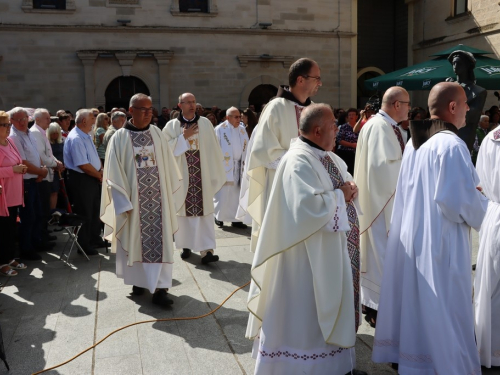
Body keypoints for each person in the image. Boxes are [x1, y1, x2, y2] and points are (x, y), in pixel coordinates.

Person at [372, 82, 488, 374]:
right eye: (465, 105)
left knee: (419, 303)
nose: (468, 111)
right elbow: (458, 202)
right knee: (444, 306)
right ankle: (445, 364)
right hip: (440, 242)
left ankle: (416, 360)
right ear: (452, 107)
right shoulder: (451, 145)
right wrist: (486, 203)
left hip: (415, 237)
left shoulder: (416, 142)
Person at [246, 104, 360, 375]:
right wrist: (341, 195)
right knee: (307, 315)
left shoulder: (326, 155)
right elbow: (305, 207)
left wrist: (351, 188)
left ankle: (335, 366)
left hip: (329, 251)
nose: (338, 129)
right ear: (318, 129)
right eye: (334, 124)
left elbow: (345, 181)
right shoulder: (298, 159)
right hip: (305, 260)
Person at [101, 94, 184, 306]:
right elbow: (113, 173)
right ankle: (139, 281)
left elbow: (168, 166)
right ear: (131, 110)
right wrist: (122, 203)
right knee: (134, 241)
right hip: (134, 204)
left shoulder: (157, 133)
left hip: (159, 202)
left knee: (162, 242)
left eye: (150, 109)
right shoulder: (119, 138)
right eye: (142, 109)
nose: (147, 113)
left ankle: (161, 288)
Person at [241, 57, 321, 253]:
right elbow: (264, 152)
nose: (320, 83)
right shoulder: (276, 107)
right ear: (301, 80)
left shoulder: (315, 110)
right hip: (281, 185)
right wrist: (299, 163)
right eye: (316, 78)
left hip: (311, 186)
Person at [353, 86, 408, 327]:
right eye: (407, 104)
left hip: (383, 203)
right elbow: (380, 169)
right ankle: (377, 310)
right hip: (381, 207)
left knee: (382, 260)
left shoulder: (385, 126)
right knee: (380, 260)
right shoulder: (379, 127)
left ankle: (380, 308)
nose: (409, 108)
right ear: (397, 105)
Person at [162, 93, 226, 264]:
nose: (191, 105)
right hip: (182, 177)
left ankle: (207, 251)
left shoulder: (205, 124)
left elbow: (213, 149)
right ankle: (186, 246)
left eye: (193, 102)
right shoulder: (172, 126)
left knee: (204, 214)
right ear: (179, 105)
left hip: (202, 175)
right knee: (184, 213)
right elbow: (164, 150)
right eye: (187, 102)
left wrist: (215, 172)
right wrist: (183, 137)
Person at [474, 124, 500, 368]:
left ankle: (488, 350)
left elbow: (479, 180)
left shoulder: (491, 137)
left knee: (489, 284)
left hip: (492, 213)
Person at [8, 107, 49, 261]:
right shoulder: (14, 137)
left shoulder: (29, 133)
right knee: (28, 216)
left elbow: (35, 154)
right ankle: (27, 248)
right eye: (18, 120)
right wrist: (40, 172)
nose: (22, 122)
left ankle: (36, 242)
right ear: (11, 121)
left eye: (24, 118)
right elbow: (23, 161)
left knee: (37, 213)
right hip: (25, 181)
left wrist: (40, 172)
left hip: (34, 178)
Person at [64, 109, 104, 256]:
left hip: (91, 177)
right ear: (84, 121)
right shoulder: (76, 138)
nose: (95, 121)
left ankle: (94, 238)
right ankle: (84, 244)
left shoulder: (85, 135)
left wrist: (100, 170)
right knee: (85, 211)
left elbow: (93, 156)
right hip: (82, 179)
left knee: (94, 209)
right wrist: (99, 175)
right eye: (93, 118)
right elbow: (83, 164)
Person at [0, 111, 28, 275]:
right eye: (5, 125)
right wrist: (13, 170)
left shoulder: (9, 142)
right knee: (3, 230)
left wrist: (19, 168)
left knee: (11, 229)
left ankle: (10, 258)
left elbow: (17, 161)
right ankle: (2, 263)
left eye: (9, 125)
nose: (9, 128)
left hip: (14, 195)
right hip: (3, 197)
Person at [30, 109, 64, 243]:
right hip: (41, 176)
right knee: (42, 209)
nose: (50, 121)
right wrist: (55, 164)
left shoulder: (41, 132)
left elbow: (48, 153)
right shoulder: (35, 133)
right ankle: (41, 237)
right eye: (47, 118)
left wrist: (56, 161)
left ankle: (44, 233)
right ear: (37, 119)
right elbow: (41, 156)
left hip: (47, 175)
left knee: (45, 208)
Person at [213, 107, 249, 228]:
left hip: (239, 166)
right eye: (236, 117)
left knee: (237, 194)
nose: (239, 119)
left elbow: (247, 147)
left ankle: (236, 219)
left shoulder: (242, 130)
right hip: (224, 167)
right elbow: (214, 149)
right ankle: (219, 217)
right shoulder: (219, 130)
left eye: (240, 116)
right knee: (223, 194)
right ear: (228, 118)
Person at [447, 50, 487, 151]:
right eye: (454, 63)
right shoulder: (448, 87)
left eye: (459, 63)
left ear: (467, 66)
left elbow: (468, 117)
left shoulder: (479, 91)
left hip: (463, 139)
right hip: (446, 138)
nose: (455, 66)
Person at [47, 123, 64, 211]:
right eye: (53, 133)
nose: (55, 135)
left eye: (56, 133)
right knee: (53, 191)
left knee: (57, 192)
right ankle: (51, 211)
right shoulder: (47, 144)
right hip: (51, 171)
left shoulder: (61, 142)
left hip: (61, 171)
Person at [336, 107, 359, 174]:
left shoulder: (360, 127)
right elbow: (339, 140)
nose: (351, 116)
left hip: (356, 153)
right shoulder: (343, 127)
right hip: (344, 152)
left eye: (353, 115)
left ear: (357, 116)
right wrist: (352, 145)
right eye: (349, 115)